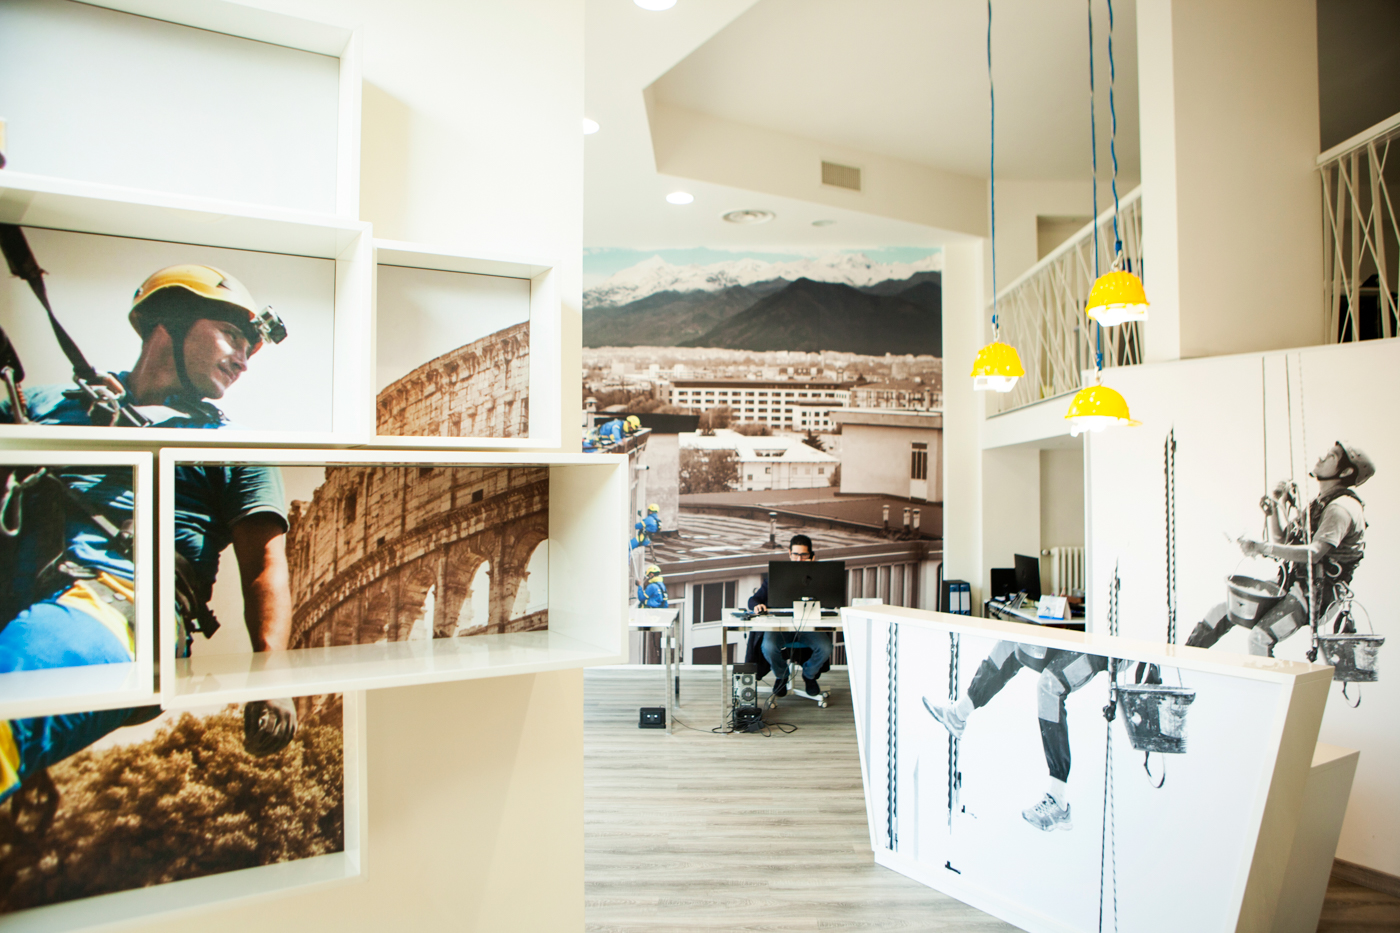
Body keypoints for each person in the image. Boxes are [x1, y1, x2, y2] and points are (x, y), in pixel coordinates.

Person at [0, 265, 297, 803]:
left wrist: (272, 675)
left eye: (249, 348)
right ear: (172, 321)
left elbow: (264, 565)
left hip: (125, 608)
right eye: (232, 336)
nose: (243, 359)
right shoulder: (45, 405)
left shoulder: (235, 446)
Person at [1186, 441, 1374, 656]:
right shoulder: (1320, 504)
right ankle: (1183, 659)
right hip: (1293, 582)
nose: (1322, 457)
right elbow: (1285, 540)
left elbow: (1314, 553)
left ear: (1346, 471)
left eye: (1332, 456)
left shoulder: (1342, 507)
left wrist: (1263, 547)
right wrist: (1275, 508)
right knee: (1221, 611)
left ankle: (1261, 678)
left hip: (1317, 594)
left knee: (1260, 638)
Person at [923, 642, 1109, 832]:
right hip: (1072, 637)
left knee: (1050, 685)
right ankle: (959, 714)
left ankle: (1058, 799)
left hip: (1097, 648)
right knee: (1012, 643)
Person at [748, 534, 832, 698]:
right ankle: (782, 676)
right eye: (795, 554)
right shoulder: (778, 576)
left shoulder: (819, 578)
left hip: (808, 628)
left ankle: (809, 675)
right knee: (768, 647)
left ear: (811, 556)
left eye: (804, 555)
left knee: (825, 648)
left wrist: (810, 573)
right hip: (781, 627)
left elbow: (830, 602)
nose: (799, 559)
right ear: (789, 553)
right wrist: (756, 606)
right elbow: (754, 599)